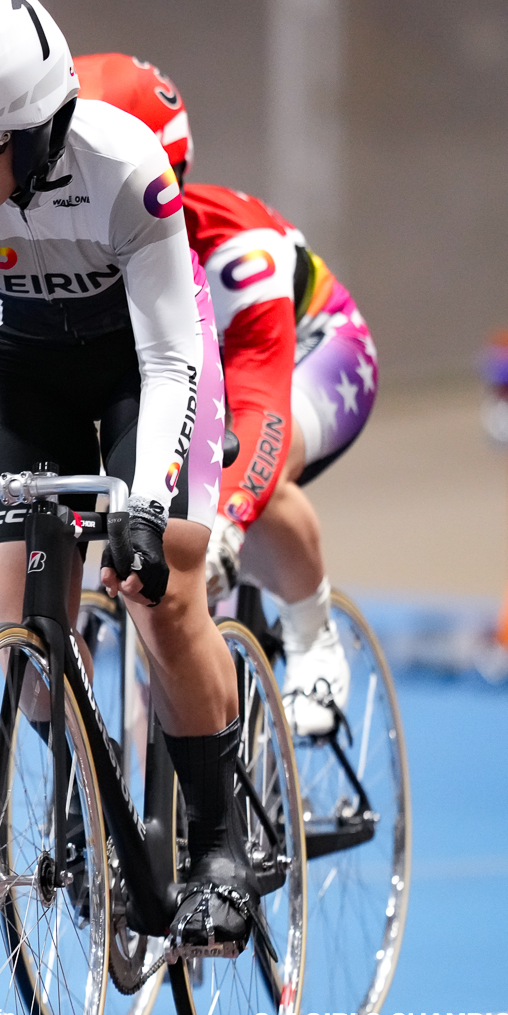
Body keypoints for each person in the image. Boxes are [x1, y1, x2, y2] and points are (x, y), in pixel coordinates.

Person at [0, 0, 254, 952]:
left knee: (164, 594)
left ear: (38, 127)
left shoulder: (125, 169)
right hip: (22, 369)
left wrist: (149, 505)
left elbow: (170, 357)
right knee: (23, 626)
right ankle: (92, 779)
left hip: (135, 368)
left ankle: (220, 848)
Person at [72, 52, 379, 737]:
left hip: (311, 353)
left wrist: (231, 520)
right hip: (204, 374)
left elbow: (262, 406)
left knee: (240, 469)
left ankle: (312, 637)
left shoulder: (240, 251)